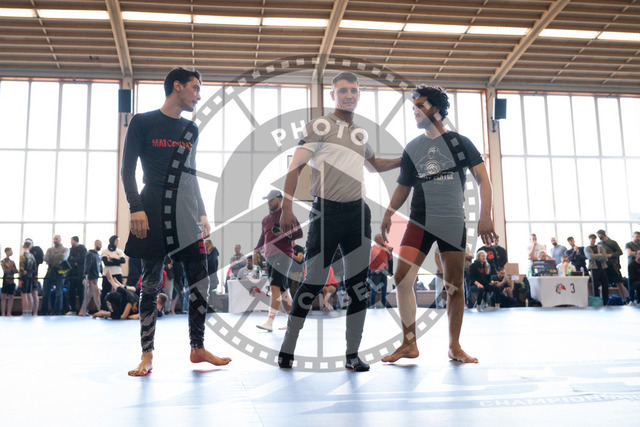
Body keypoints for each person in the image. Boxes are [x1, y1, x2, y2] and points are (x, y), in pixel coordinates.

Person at [278, 72, 401, 371]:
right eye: (343, 90)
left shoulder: (360, 134)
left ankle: (352, 355)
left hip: (358, 214)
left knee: (359, 286)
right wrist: (286, 208)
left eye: (354, 91)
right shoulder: (320, 126)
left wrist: (405, 158)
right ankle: (288, 348)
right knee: (313, 282)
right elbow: (295, 167)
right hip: (326, 213)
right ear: (333, 95)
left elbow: (374, 165)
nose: (349, 95)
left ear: (359, 95)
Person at [121, 66, 231, 376]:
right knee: (151, 283)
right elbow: (127, 170)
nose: (199, 95)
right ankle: (147, 354)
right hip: (152, 206)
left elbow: (191, 173)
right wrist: (136, 208)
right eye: (196, 88)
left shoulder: (190, 129)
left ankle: (198, 347)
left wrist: (202, 212)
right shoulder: (142, 122)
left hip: (185, 209)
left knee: (200, 280)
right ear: (177, 86)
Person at [380, 84, 495, 364]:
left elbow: (483, 179)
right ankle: (409, 343)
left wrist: (486, 215)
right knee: (402, 278)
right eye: (413, 107)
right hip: (419, 220)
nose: (415, 111)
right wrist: (388, 213)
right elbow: (403, 186)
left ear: (438, 110)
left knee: (454, 285)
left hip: (451, 220)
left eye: (420, 106)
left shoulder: (461, 142)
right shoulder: (413, 147)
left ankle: (454, 346)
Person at [254, 190, 302, 332]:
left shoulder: (287, 215)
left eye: (271, 199)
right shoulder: (265, 219)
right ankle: (293, 323)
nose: (269, 202)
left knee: (274, 286)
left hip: (283, 255)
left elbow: (299, 233)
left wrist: (284, 234)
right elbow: (262, 237)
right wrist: (256, 250)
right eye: (267, 199)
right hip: (270, 257)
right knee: (283, 291)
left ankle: (269, 322)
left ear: (280, 199)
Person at [597, 229, 629, 303]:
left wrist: (611, 255)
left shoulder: (612, 242)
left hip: (613, 265)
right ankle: (602, 301)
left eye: (599, 234)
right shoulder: (599, 244)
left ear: (603, 234)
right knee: (603, 284)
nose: (598, 236)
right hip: (604, 266)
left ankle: (624, 299)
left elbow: (620, 252)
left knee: (619, 282)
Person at [41, 235, 70, 315]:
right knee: (45, 293)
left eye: (56, 239)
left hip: (60, 273)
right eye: (54, 239)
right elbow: (46, 258)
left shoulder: (65, 249)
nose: (55, 240)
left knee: (59, 293)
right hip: (50, 271)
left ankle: (57, 311)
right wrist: (57, 257)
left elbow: (63, 258)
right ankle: (44, 311)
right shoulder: (49, 249)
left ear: (60, 239)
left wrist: (53, 258)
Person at [101, 235, 126, 310]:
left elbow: (123, 261)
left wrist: (112, 259)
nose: (117, 242)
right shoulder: (105, 251)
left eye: (118, 241)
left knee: (119, 290)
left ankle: (120, 308)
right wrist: (117, 262)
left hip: (117, 273)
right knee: (105, 290)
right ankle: (103, 308)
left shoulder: (119, 251)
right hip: (107, 273)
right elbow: (106, 262)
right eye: (116, 240)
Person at [368, 234, 392, 309]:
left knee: (384, 289)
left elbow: (390, 258)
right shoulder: (372, 249)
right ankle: (372, 305)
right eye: (381, 238)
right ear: (377, 240)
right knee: (374, 289)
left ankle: (383, 305)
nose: (382, 240)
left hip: (384, 271)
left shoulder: (385, 248)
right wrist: (372, 270)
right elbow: (370, 261)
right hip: (375, 272)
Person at [79, 240, 102, 316]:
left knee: (89, 295)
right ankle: (100, 309)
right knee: (96, 293)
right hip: (91, 277)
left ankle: (82, 311)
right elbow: (87, 265)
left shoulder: (98, 255)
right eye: (99, 244)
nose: (101, 246)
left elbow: (100, 266)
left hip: (95, 276)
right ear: (96, 244)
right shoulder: (90, 254)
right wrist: (86, 276)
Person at [585, 233, 609, 304]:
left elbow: (605, 256)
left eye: (594, 239)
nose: (593, 240)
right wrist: (599, 255)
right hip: (594, 268)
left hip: (603, 267)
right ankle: (597, 301)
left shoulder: (600, 247)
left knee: (605, 285)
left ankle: (605, 301)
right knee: (595, 286)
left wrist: (596, 256)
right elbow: (590, 256)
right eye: (592, 239)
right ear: (589, 239)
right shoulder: (587, 248)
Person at [67, 236, 87, 314]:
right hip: (72, 274)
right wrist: (74, 261)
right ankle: (72, 309)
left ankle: (82, 309)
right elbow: (68, 260)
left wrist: (74, 259)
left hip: (80, 274)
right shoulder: (70, 250)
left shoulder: (83, 249)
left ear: (74, 241)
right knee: (71, 292)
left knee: (81, 292)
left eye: (71, 241)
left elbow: (82, 259)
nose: (71, 242)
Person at [19, 240, 37, 316]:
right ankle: (29, 311)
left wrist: (20, 278)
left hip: (25, 277)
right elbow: (35, 268)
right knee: (29, 294)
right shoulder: (32, 256)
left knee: (24, 294)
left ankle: (25, 311)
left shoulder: (22, 256)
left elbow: (21, 268)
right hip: (30, 276)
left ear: (23, 246)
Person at [1, 247, 18, 316]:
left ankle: (9, 312)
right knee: (4, 296)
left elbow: (15, 270)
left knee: (11, 296)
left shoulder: (12, 262)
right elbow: (6, 270)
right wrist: (11, 270)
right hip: (6, 280)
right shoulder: (3, 261)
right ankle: (3, 313)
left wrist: (12, 270)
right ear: (7, 252)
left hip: (12, 280)